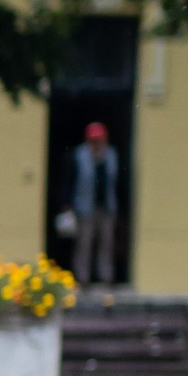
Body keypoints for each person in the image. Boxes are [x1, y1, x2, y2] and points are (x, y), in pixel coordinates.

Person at [64, 120, 122, 287]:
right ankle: (82, 277)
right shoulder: (78, 155)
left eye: (99, 139)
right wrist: (66, 204)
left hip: (107, 207)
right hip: (84, 207)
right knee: (84, 243)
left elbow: (118, 183)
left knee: (107, 243)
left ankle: (105, 276)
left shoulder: (111, 155)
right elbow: (69, 180)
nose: (97, 143)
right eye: (93, 140)